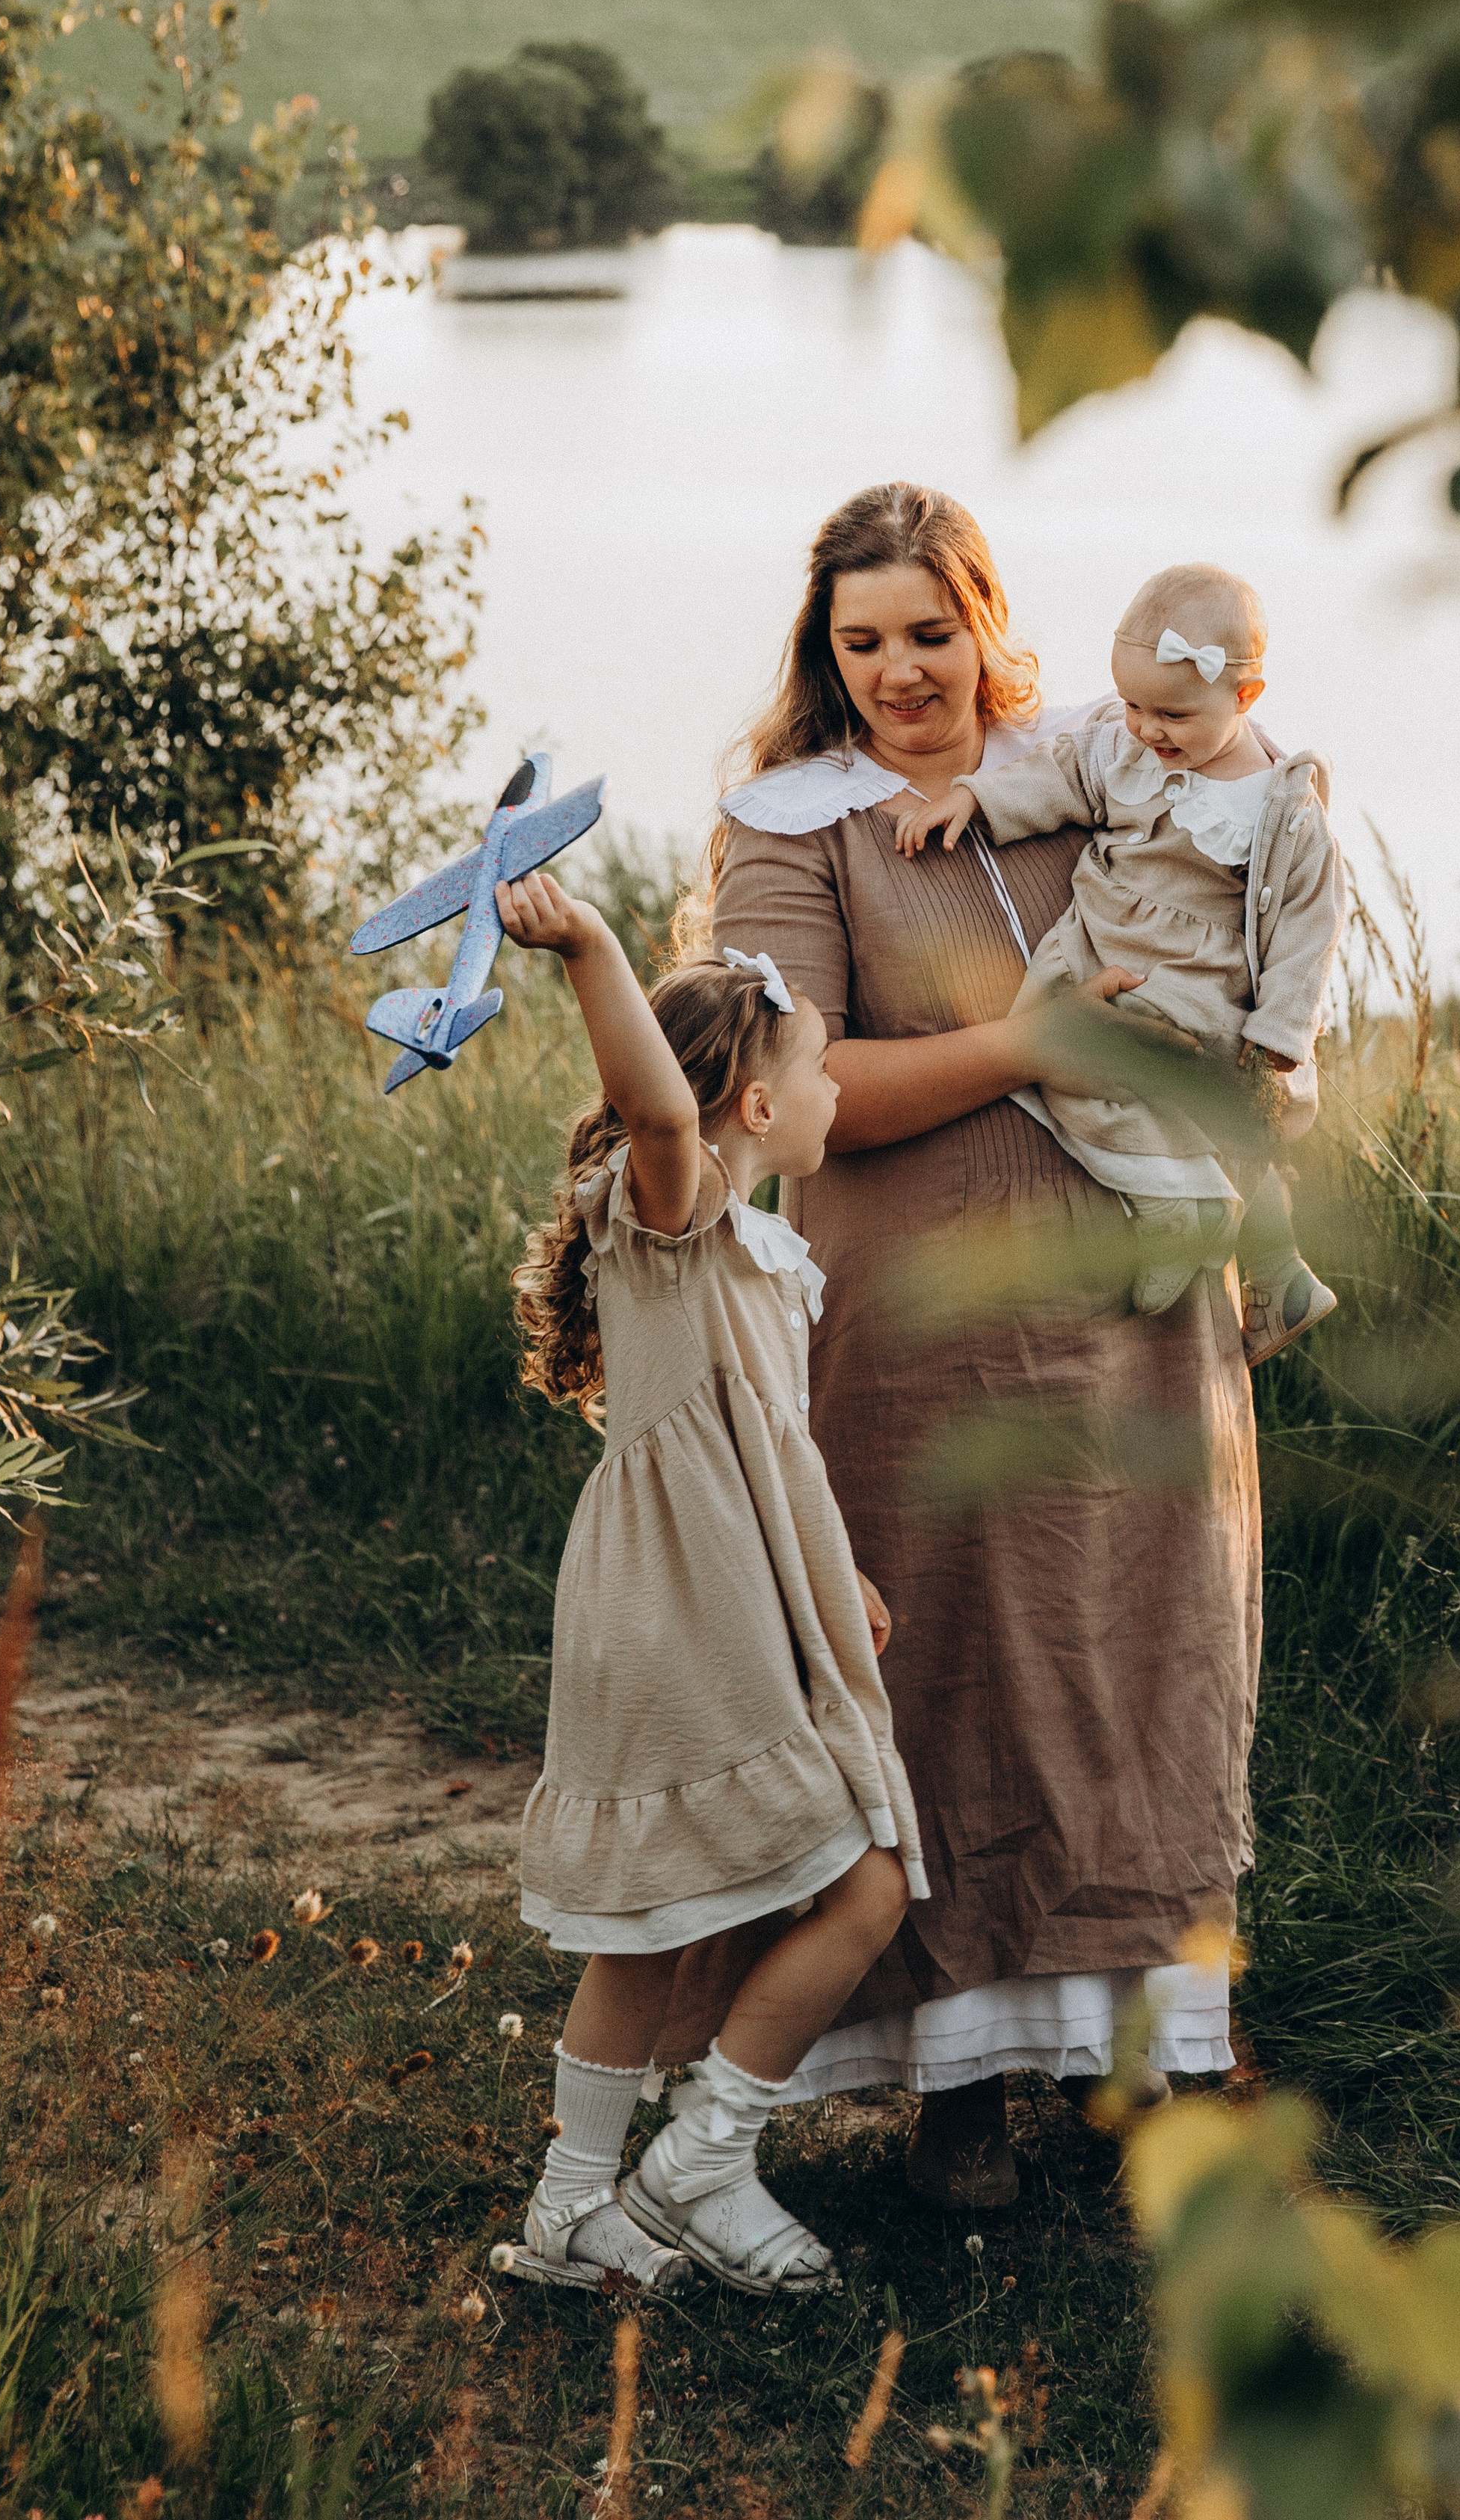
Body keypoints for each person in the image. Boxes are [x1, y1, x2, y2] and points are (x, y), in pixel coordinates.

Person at [694, 481, 1262, 2213]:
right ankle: (958, 2083)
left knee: (1138, 1665)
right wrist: (1029, 1041)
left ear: (979, 616)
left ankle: (1168, 2057)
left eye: (926, 634)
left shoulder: (1084, 771)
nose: (897, 675)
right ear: (824, 648)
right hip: (908, 1329)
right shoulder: (792, 822)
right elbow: (803, 1107)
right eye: (859, 643)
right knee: (941, 1683)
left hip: (1124, 1300)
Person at [488, 868, 925, 2296]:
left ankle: (578, 2203)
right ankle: (702, 2157)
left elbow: (768, 1438)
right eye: (813, 1069)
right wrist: (594, 949)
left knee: (653, 1915)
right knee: (862, 1880)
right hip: (678, 1608)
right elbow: (657, 1107)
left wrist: (835, 1562)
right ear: (750, 1107)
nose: (833, 1090)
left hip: (734, 1591)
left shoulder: (757, 1245)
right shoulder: (670, 1213)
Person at [893, 559, 1345, 1367]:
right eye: (1132, 704)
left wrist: (1282, 1030)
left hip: (1200, 983)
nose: (1145, 728)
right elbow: (1058, 773)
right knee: (1069, 1059)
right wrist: (976, 797)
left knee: (1106, 1065)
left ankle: (1180, 1209)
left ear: (1244, 698)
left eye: (1171, 712)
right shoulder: (1123, 752)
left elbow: (1311, 925)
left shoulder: (1280, 804)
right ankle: (1248, 1253)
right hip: (1108, 951)